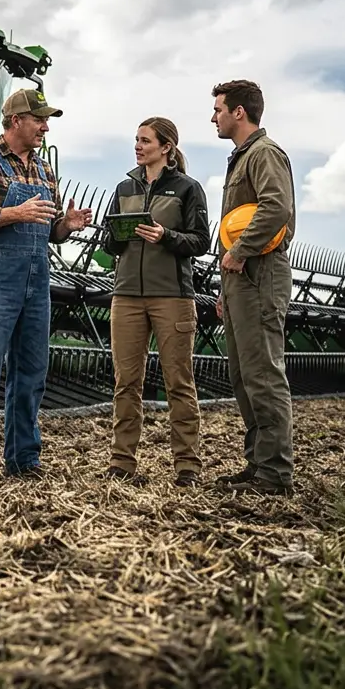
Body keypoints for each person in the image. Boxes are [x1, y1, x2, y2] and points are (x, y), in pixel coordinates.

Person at [0, 87, 93, 481]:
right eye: (39, 120)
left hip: (36, 278)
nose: (45, 127)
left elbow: (49, 230)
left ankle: (23, 460)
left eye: (46, 121)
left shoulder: (45, 170)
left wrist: (67, 225)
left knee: (31, 372)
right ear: (16, 121)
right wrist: (16, 212)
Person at [101, 117, 210, 487]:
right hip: (127, 295)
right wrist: (118, 235)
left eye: (145, 140)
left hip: (173, 298)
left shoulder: (188, 189)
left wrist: (165, 236)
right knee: (126, 381)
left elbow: (200, 242)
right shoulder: (123, 187)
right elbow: (108, 244)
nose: (138, 146)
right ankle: (122, 462)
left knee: (178, 382)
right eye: (136, 140)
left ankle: (187, 466)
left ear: (166, 147)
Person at [211, 80, 296, 496]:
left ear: (239, 112)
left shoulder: (264, 154)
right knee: (243, 374)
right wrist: (225, 289)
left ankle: (275, 473)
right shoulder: (242, 157)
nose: (214, 117)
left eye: (219, 110)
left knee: (263, 373)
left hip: (261, 272)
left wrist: (241, 250)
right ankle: (259, 462)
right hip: (241, 278)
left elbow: (276, 207)